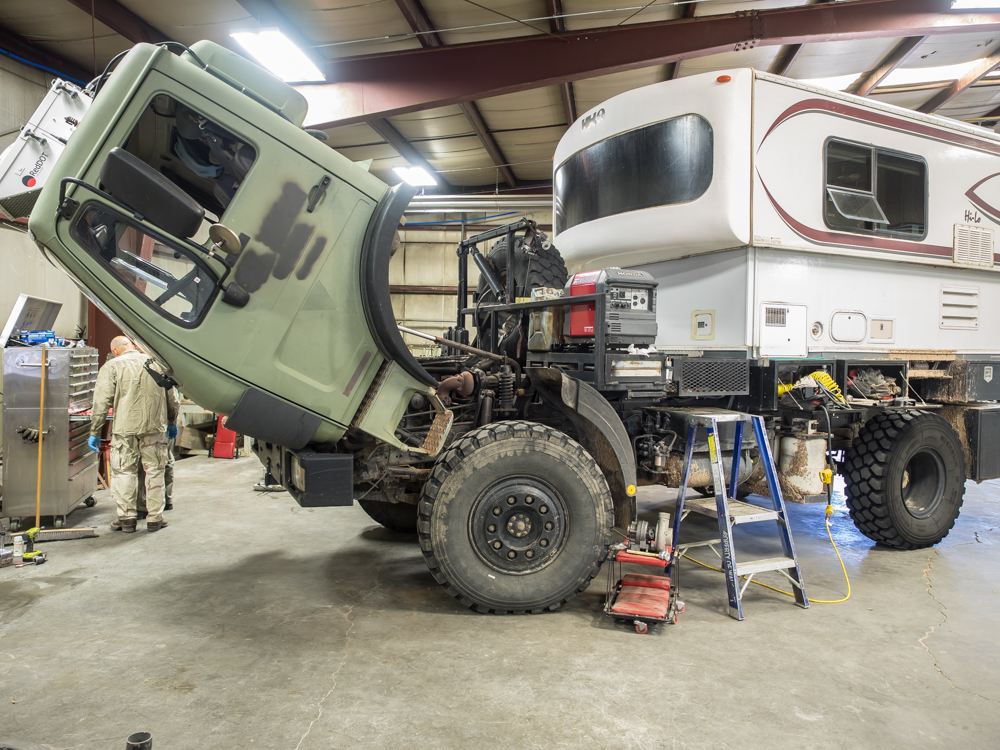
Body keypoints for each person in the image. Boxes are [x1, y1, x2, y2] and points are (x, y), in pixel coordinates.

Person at [88, 336, 178, 533]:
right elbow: (172, 396)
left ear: (115, 351)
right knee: (155, 470)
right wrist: (172, 421)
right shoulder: (156, 364)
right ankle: (155, 518)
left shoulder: (111, 366)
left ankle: (127, 519)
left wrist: (95, 431)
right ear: (132, 346)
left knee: (124, 472)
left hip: (124, 429)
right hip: (155, 427)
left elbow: (101, 402)